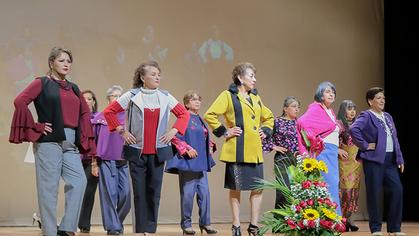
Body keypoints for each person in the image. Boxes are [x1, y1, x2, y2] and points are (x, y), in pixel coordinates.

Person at [9, 47, 95, 236]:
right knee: (49, 188)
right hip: (49, 141)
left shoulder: (73, 87)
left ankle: (66, 228)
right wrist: (36, 127)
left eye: (69, 61)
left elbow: (84, 111)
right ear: (51, 63)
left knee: (79, 181)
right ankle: (49, 231)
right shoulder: (42, 83)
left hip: (70, 142)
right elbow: (20, 101)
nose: (66, 64)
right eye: (62, 60)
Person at [104, 60, 190, 235]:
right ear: (143, 77)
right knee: (139, 193)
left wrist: (174, 131)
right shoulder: (132, 95)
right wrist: (122, 131)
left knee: (154, 192)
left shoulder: (166, 96)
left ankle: (150, 230)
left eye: (159, 74)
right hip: (137, 152)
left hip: (158, 153)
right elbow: (109, 112)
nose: (157, 76)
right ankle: (140, 230)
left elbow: (183, 114)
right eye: (153, 74)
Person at [204, 62, 274, 236]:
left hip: (255, 152)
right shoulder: (228, 96)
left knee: (257, 189)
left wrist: (265, 130)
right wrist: (224, 131)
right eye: (251, 76)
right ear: (240, 78)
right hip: (236, 150)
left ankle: (253, 226)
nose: (254, 79)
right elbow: (209, 114)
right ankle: (236, 226)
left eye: (254, 76)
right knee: (236, 188)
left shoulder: (256, 98)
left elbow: (269, 117)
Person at [350, 87, 405, 236]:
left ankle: (394, 228)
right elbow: (354, 130)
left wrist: (399, 158)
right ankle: (376, 229)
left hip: (390, 160)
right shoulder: (367, 115)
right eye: (379, 98)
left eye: (383, 98)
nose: (382, 100)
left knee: (397, 190)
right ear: (370, 101)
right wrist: (365, 145)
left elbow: (395, 139)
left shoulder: (388, 116)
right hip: (374, 160)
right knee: (374, 192)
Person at [165, 91, 218, 235]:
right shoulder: (184, 117)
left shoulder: (199, 119)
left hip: (200, 163)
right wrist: (186, 148)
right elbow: (174, 137)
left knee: (205, 194)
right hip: (188, 163)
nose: (197, 102)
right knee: (188, 195)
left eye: (199, 99)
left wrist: (210, 146)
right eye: (194, 100)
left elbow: (203, 136)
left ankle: (205, 223)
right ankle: (186, 225)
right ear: (186, 103)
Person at [297, 81, 342, 216]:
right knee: (329, 184)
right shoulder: (316, 108)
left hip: (332, 152)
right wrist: (314, 140)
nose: (331, 94)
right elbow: (302, 122)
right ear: (320, 94)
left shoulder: (330, 111)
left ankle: (332, 218)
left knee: (333, 183)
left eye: (333, 92)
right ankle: (331, 218)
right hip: (324, 151)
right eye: (328, 91)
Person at [262, 96, 300, 209]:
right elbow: (264, 136)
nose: (297, 109)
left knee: (296, 189)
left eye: (298, 107)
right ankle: (280, 222)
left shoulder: (299, 123)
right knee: (283, 189)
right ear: (285, 109)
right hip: (283, 159)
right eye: (293, 106)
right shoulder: (277, 121)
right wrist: (273, 146)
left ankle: (293, 221)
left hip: (297, 159)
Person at [336, 100, 361, 232]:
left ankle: (350, 219)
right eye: (349, 108)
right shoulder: (338, 124)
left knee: (353, 192)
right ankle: (342, 219)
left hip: (355, 162)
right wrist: (337, 150)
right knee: (344, 191)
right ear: (343, 110)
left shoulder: (358, 124)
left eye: (354, 109)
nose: (352, 111)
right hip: (342, 161)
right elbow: (330, 142)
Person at [78, 90, 99, 233]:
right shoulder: (75, 118)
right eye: (83, 99)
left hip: (92, 160)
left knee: (88, 192)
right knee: (76, 192)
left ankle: (84, 224)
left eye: (89, 99)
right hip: (75, 160)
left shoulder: (98, 118)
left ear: (94, 102)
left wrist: (94, 162)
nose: (86, 101)